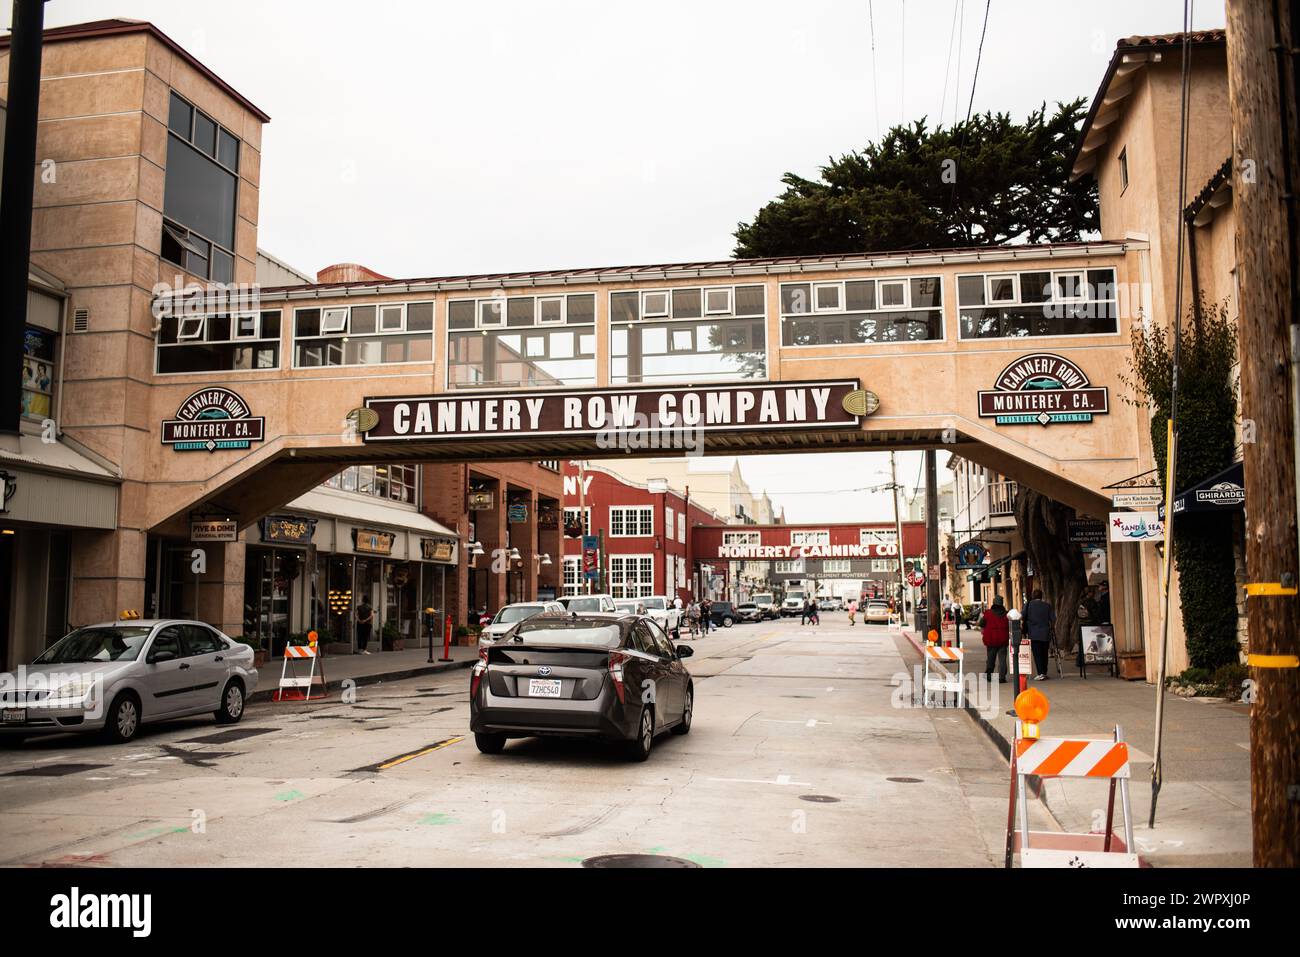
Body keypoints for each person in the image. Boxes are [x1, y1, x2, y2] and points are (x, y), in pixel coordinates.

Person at [1022, 588, 1056, 680]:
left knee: (1037, 654)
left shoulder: (1028, 605)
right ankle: (1044, 672)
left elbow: (1022, 615)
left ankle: (1040, 673)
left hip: (1033, 633)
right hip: (1045, 633)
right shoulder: (1047, 606)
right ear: (1041, 596)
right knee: (1044, 653)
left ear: (1033, 596)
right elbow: (1053, 619)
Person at [979, 595, 1009, 683]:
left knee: (991, 658)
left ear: (994, 603)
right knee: (1002, 659)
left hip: (991, 639)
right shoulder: (1006, 614)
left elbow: (981, 623)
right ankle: (1002, 677)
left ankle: (989, 675)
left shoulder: (988, 613)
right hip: (1003, 639)